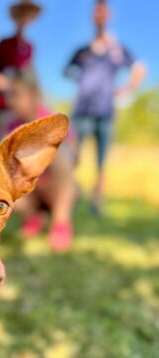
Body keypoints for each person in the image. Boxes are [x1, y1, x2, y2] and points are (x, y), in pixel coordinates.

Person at [64, 0, 146, 214]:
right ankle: (67, 198)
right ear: (93, 15)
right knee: (73, 157)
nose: (99, 15)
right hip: (82, 111)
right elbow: (66, 70)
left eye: (103, 11)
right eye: (96, 11)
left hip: (105, 112)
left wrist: (127, 88)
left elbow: (139, 68)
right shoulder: (83, 51)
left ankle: (97, 204)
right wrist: (81, 80)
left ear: (109, 15)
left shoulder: (116, 49)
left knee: (102, 161)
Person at [5, 71, 77, 252]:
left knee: (59, 152)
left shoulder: (53, 120)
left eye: (15, 94)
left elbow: (73, 158)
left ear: (32, 94)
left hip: (56, 188)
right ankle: (33, 217)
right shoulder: (11, 127)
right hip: (30, 190)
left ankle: (61, 222)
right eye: (9, 95)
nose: (10, 101)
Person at [0, 0, 41, 134]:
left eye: (27, 14)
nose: (23, 18)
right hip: (2, 104)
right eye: (21, 13)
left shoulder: (29, 47)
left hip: (21, 108)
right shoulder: (4, 43)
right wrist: (2, 82)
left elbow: (29, 75)